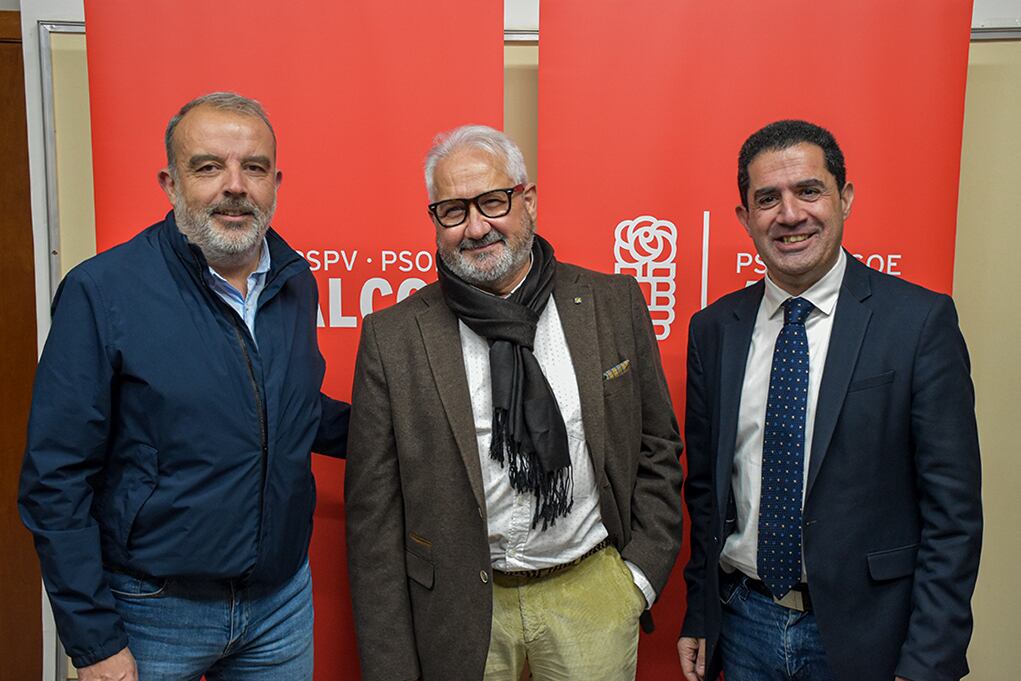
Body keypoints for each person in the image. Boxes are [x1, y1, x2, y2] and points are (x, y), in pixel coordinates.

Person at [19, 92, 349, 681]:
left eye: (254, 167)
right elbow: (55, 478)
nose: (235, 186)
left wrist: (409, 426)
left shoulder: (294, 280)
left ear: (275, 183)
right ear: (170, 183)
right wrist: (94, 643)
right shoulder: (102, 292)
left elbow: (289, 408)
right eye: (208, 167)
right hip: (152, 614)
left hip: (279, 607)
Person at [345, 124, 683, 681]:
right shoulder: (394, 337)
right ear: (435, 220)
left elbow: (657, 446)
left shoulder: (612, 302)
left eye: (493, 202)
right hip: (459, 611)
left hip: (592, 595)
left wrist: (638, 579)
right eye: (453, 211)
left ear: (528, 200)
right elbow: (374, 520)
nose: (476, 227)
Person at [677, 119, 982, 681]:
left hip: (871, 635)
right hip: (744, 622)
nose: (790, 214)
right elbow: (705, 492)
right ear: (745, 218)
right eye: (768, 199)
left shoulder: (918, 323)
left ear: (845, 198)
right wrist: (699, 610)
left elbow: (954, 516)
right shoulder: (715, 329)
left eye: (809, 191)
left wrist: (927, 660)